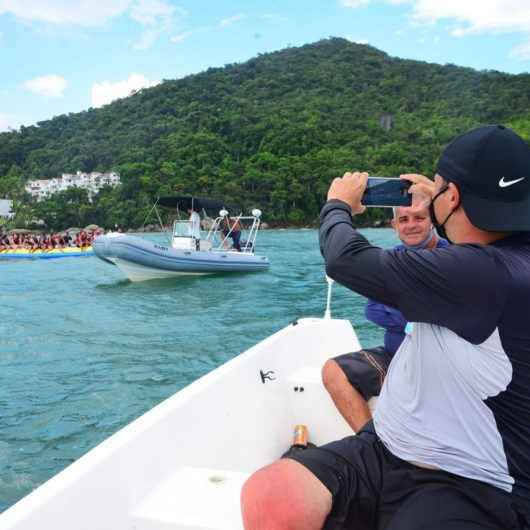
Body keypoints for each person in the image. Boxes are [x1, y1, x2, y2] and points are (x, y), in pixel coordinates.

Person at [241, 125, 530, 530]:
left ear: (454, 196)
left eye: (440, 190)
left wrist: (338, 205)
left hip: (471, 479)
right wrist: (440, 201)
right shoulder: (499, 260)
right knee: (273, 494)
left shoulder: (484, 272)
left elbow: (344, 259)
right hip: (387, 446)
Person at [322, 205, 448, 432]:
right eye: (404, 219)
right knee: (334, 372)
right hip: (396, 358)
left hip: (444, 363)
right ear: (394, 225)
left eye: (419, 218)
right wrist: (421, 314)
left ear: (433, 222)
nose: (411, 225)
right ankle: (371, 441)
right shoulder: (389, 259)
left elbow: (452, 313)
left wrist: (403, 307)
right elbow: (373, 311)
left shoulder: (454, 256)